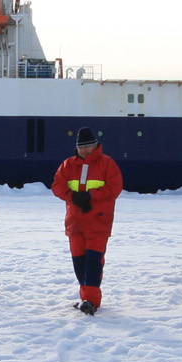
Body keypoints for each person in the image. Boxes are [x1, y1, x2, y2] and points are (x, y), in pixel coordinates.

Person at [52, 127, 123, 315]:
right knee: (79, 264)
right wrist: (72, 196)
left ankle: (91, 300)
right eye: (80, 147)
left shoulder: (107, 164)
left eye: (87, 147)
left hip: (98, 223)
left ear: (95, 145)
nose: (84, 150)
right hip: (75, 224)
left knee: (93, 263)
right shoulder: (68, 165)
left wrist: (90, 196)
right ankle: (86, 298)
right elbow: (57, 185)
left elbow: (114, 187)